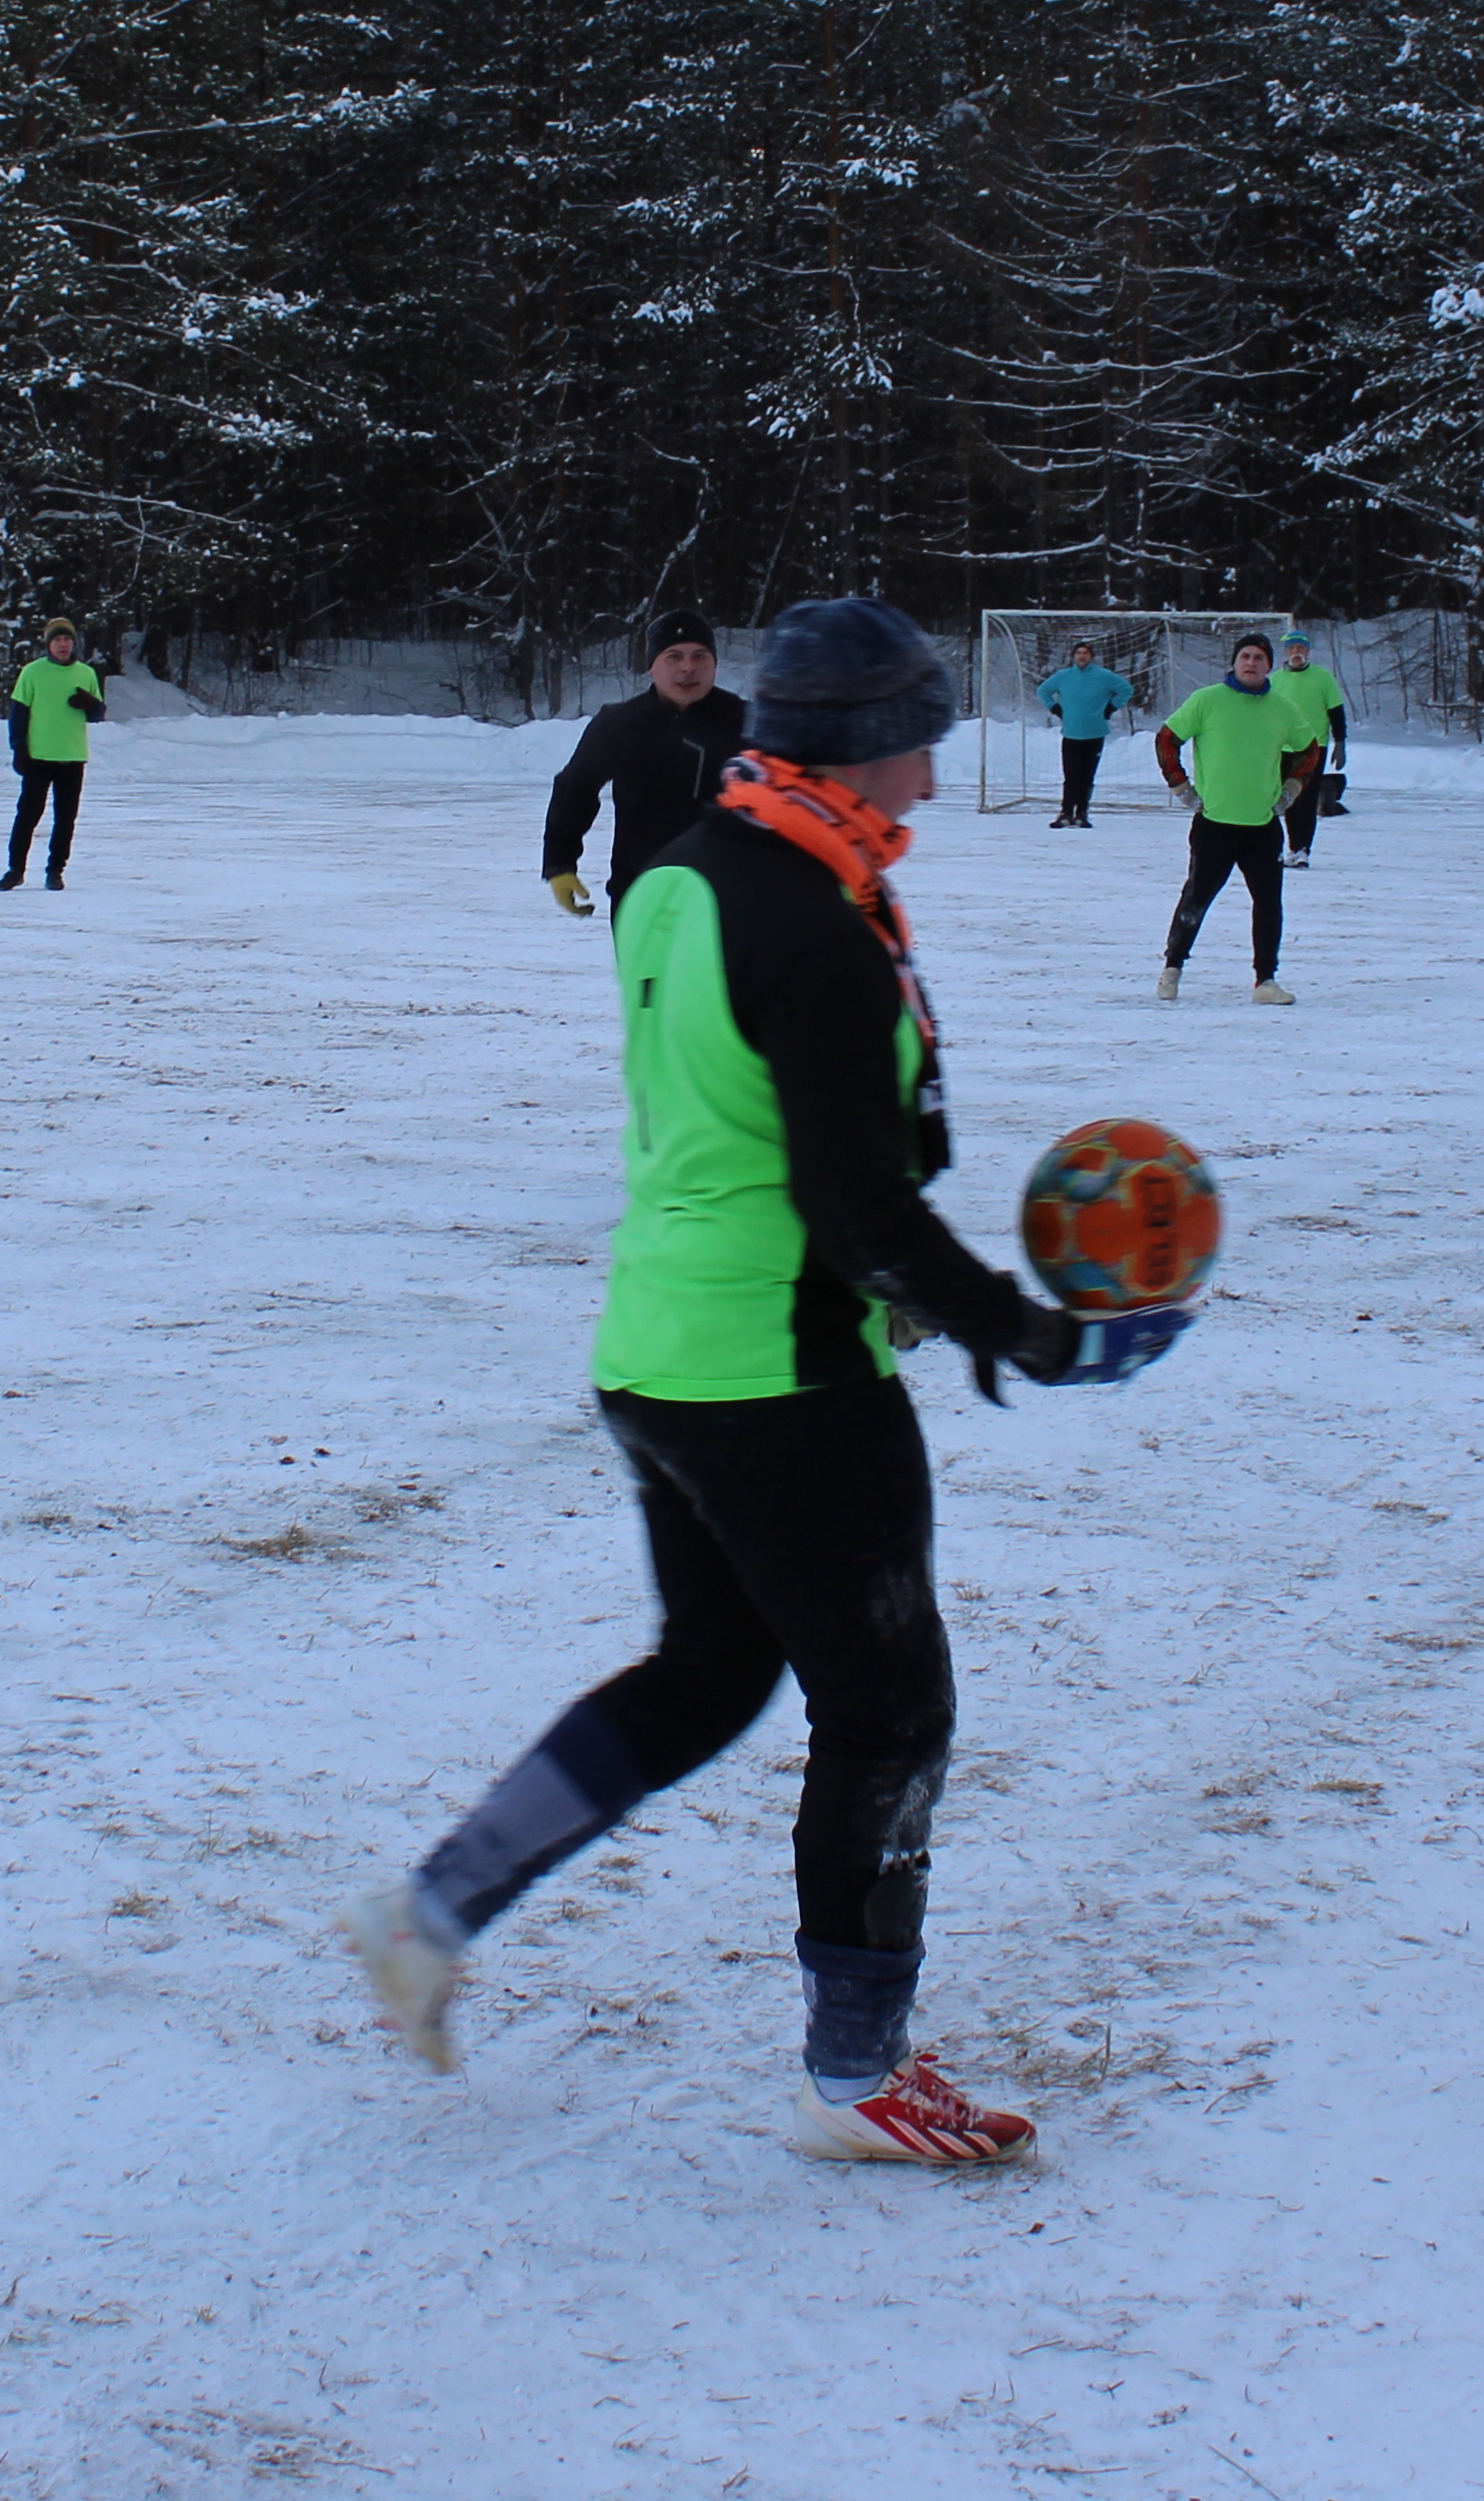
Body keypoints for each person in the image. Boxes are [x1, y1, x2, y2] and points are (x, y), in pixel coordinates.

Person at [345, 596, 1191, 2163]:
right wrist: (1034, 1332)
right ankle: (859, 2069)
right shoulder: (813, 919)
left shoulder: (684, 875)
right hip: (784, 1383)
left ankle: (430, 1911)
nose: (933, 776)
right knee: (892, 1709)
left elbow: (751, 1132)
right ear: (862, 746)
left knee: (708, 1675)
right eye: (920, 741)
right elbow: (856, 1211)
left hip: (659, 1348)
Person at [540, 608, 751, 915]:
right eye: (674, 656)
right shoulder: (619, 725)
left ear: (714, 664)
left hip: (732, 899)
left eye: (700, 656)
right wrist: (560, 865)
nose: (688, 668)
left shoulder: (748, 723)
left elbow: (793, 799)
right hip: (643, 897)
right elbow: (575, 789)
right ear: (652, 665)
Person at [1151, 633, 1319, 1005]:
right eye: (1245, 656)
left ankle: (1265, 981)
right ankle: (1172, 969)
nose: (1251, 663)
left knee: (1268, 903)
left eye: (1259, 657)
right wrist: (1180, 786)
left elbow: (1309, 750)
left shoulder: (1282, 707)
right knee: (1196, 899)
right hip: (1214, 826)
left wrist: (1291, 788)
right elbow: (1166, 739)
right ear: (1234, 662)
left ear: (1269, 665)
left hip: (1262, 827)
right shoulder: (1207, 700)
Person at [0, 616, 102, 890]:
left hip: (72, 756)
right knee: (28, 815)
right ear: (48, 644)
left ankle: (55, 870)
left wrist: (91, 704)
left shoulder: (85, 673)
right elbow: (18, 714)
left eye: (67, 639)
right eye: (57, 640)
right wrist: (19, 748)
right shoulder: (32, 672)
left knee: (66, 817)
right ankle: (15, 869)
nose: (63, 644)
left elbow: (97, 714)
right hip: (39, 757)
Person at [1031, 638, 1130, 828]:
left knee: (1087, 776)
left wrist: (1110, 708)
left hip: (1095, 734)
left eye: (1085, 653)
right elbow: (1043, 690)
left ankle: (1082, 813)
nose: (1081, 656)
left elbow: (1126, 689)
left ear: (1091, 657)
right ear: (1074, 657)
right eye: (1078, 653)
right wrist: (1055, 708)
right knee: (1070, 776)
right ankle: (1065, 813)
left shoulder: (1104, 676)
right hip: (1071, 734)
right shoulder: (1064, 676)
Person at [1270, 639, 1349, 865]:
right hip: (1283, 747)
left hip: (1314, 746)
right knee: (1287, 798)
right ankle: (1290, 848)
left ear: (1307, 651)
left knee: (1307, 796)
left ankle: (1303, 849)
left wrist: (1340, 741)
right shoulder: (1276, 680)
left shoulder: (1322, 678)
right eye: (1292, 648)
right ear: (1285, 652)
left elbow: (1336, 711)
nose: (1296, 652)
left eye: (1301, 648)